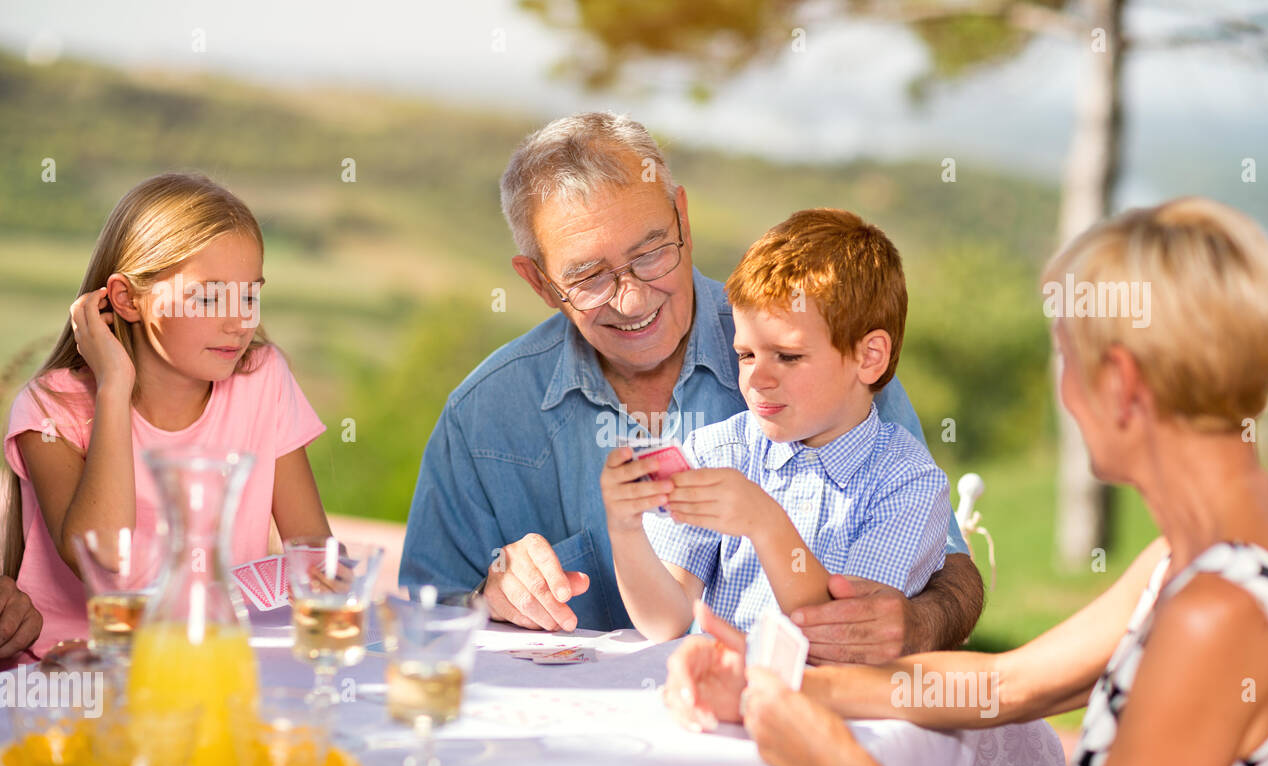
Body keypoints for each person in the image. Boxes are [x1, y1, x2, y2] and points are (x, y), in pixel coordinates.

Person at [663, 197, 1268, 766]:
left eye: (1066, 361)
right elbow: (1009, 686)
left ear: (1120, 383)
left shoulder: (1218, 613)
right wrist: (779, 683)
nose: (1065, 398)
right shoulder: (1194, 560)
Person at [400, 112, 983, 657]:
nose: (631, 299)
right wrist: (487, 596)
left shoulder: (823, 344)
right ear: (539, 282)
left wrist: (918, 622)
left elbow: (950, 567)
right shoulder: (484, 415)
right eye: (589, 276)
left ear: (683, 217)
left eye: (651, 252)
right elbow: (418, 622)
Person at [2, 172, 332, 657]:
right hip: (73, 675)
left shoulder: (263, 379)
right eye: (208, 296)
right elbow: (107, 559)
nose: (239, 321)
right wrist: (114, 389)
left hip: (206, 661)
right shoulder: (52, 408)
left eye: (249, 295)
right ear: (126, 299)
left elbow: (315, 559)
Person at [602, 209, 949, 642]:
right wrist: (625, 527)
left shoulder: (907, 483)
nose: (757, 379)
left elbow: (845, 637)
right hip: (720, 695)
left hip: (836, 705)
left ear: (869, 357)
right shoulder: (718, 452)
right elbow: (664, 621)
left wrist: (766, 524)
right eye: (746, 355)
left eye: (787, 356)